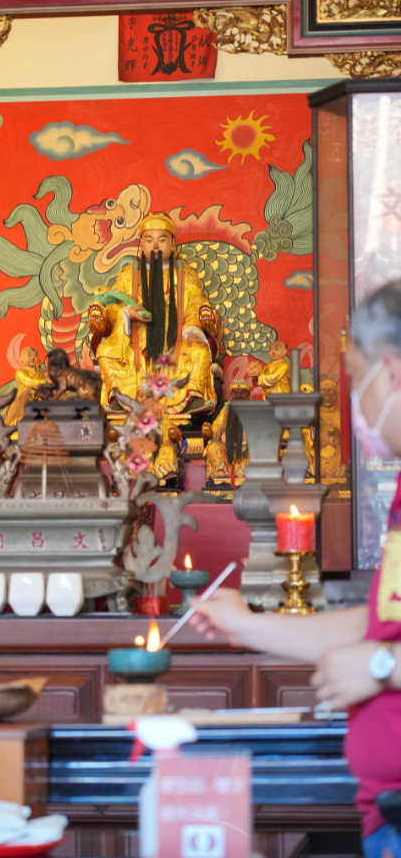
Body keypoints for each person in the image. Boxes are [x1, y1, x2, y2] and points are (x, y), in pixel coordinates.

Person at [190, 279, 401, 858]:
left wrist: (384, 668)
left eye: (357, 380)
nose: (356, 404)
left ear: (392, 371)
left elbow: (382, 649)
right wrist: (246, 625)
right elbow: (381, 626)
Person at [87, 212, 222, 415]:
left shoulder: (186, 274)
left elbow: (196, 305)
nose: (156, 246)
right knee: (106, 350)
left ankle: (191, 398)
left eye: (162, 240)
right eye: (149, 240)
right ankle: (119, 399)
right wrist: (127, 312)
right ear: (141, 243)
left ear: (173, 242)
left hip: (175, 340)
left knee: (200, 352)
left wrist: (192, 330)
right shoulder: (127, 275)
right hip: (136, 342)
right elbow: (111, 307)